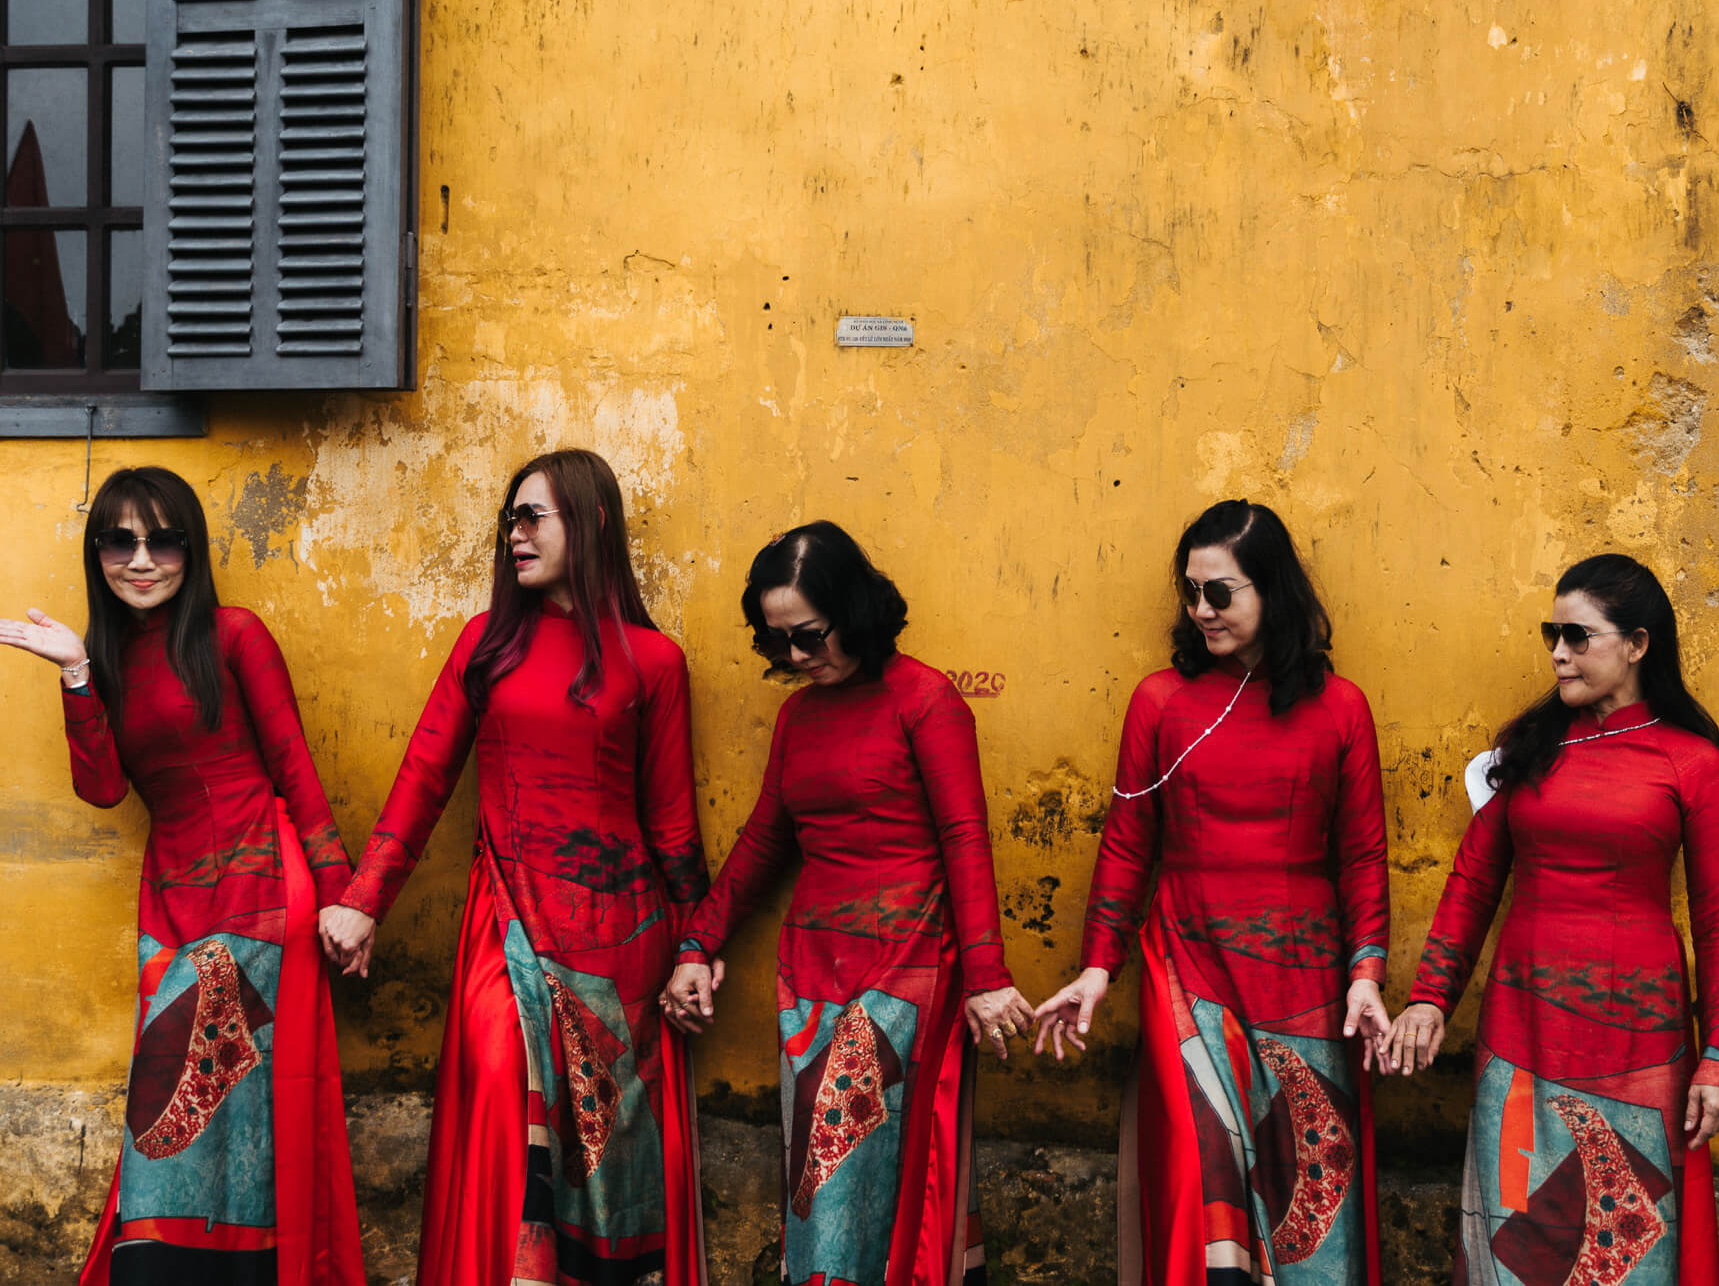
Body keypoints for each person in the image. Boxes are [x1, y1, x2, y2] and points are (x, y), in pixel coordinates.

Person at [318, 449, 707, 1286]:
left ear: (593, 523)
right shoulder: (486, 645)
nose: (515, 533)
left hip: (623, 941)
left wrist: (696, 947)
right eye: (511, 517)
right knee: (501, 1079)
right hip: (509, 924)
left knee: (606, 1151)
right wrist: (365, 899)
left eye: (534, 516)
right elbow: (424, 776)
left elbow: (673, 825)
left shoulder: (655, 660)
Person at [0, 466, 365, 1286]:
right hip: (169, 909)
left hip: (262, 899)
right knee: (174, 1119)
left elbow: (296, 772)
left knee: (222, 1119)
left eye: (162, 538)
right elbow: (102, 788)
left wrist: (348, 900)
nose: (141, 559)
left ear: (189, 548)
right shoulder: (104, 657)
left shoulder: (234, 634)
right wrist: (73, 672)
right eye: (120, 540)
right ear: (97, 553)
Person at [1033, 499, 1391, 1285]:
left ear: (1273, 591)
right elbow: (1128, 843)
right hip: (1187, 971)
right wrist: (1099, 967)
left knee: (1311, 1191)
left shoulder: (1340, 708)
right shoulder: (1161, 701)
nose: (1201, 610)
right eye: (1191, 592)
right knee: (1207, 1183)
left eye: (1220, 592)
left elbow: (1362, 855)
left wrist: (1367, 973)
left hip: (1307, 981)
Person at [669, 521, 1032, 1286]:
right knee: (816, 1178)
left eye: (809, 635)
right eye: (778, 644)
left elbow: (966, 837)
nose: (797, 658)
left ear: (853, 609)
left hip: (904, 970)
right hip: (810, 972)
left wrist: (989, 974)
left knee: (846, 1169)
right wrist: (694, 946)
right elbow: (764, 844)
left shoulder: (927, 701)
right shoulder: (799, 717)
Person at [1380, 553, 1719, 1286]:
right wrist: (1429, 996)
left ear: (1637, 643)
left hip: (1640, 1047)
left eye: (1578, 635)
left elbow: (1718, 919)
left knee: (1629, 1248)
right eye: (1552, 633)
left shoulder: (1692, 762)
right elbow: (1474, 881)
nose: (1557, 652)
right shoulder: (1532, 750)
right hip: (1520, 1037)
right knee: (1514, 1248)